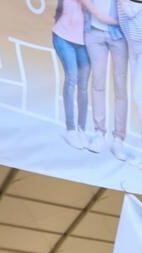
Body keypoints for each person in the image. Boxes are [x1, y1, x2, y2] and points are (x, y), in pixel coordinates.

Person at [83, 0, 129, 160]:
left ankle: (118, 139)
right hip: (93, 33)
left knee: (120, 88)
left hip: (119, 35)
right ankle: (99, 133)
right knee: (97, 83)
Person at [116, 0, 142, 170]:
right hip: (134, 50)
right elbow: (128, 12)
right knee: (137, 98)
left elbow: (135, 11)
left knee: (139, 97)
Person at [51, 0, 91, 149]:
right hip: (63, 37)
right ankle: (70, 129)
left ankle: (81, 129)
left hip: (85, 43)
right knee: (71, 78)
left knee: (83, 86)